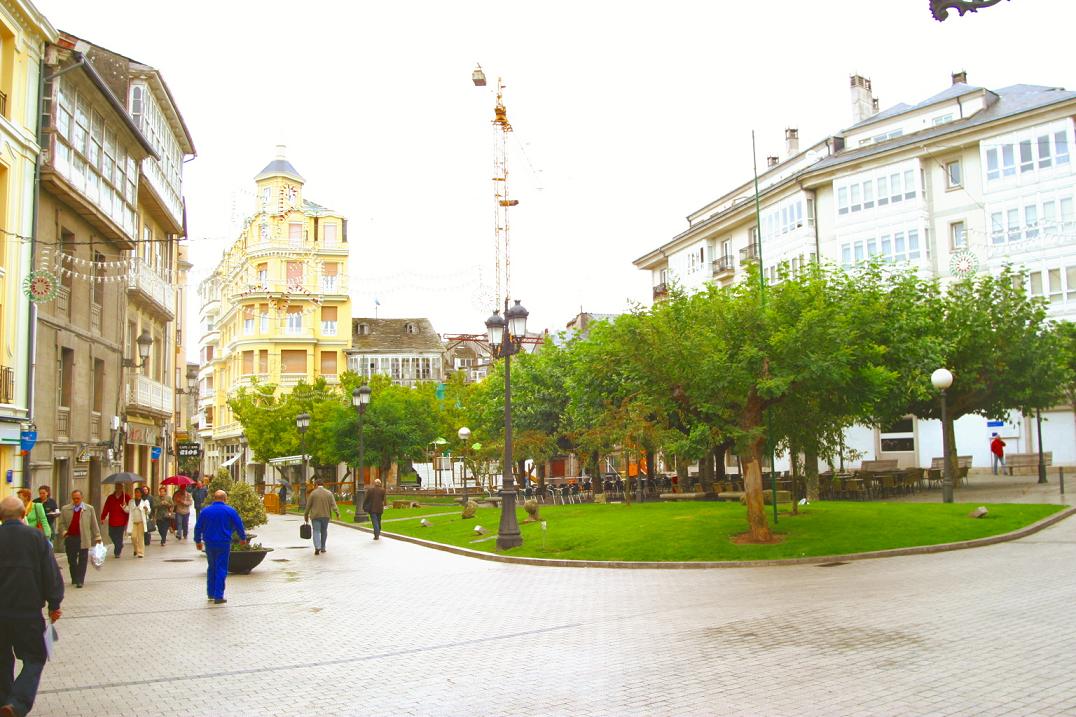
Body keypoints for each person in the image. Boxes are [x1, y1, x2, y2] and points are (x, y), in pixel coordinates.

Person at [0, 495, 64, 717]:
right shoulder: (36, 538)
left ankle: (4, 702)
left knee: (1, 660)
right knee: (35, 657)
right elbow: (51, 574)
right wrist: (54, 603)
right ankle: (16, 703)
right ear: (24, 514)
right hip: (26, 613)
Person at [194, 491, 246, 604]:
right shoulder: (230, 510)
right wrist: (242, 538)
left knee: (211, 566)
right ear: (225, 498)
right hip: (223, 542)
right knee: (221, 567)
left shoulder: (205, 511)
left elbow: (198, 527)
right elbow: (239, 524)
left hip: (209, 542)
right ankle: (218, 595)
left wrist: (198, 541)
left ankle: (211, 593)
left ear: (214, 498)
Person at [56, 491, 101, 588]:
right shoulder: (65, 509)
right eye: (74, 498)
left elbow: (94, 523)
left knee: (83, 560)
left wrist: (97, 536)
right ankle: (74, 578)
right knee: (71, 560)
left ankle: (80, 580)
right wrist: (64, 532)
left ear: (82, 498)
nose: (76, 500)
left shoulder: (89, 509)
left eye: (78, 498)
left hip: (83, 538)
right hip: (71, 538)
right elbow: (61, 524)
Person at [303, 478, 340, 555]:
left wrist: (306, 515)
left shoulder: (313, 493)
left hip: (315, 516)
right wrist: (337, 513)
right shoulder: (329, 493)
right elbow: (333, 505)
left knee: (316, 531)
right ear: (323, 485)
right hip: (326, 515)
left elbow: (308, 506)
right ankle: (323, 547)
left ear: (316, 484)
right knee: (324, 531)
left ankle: (317, 547)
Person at [100, 484, 131, 558]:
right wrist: (103, 517)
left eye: (120, 487)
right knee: (111, 534)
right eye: (117, 487)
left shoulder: (126, 497)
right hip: (112, 520)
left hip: (122, 520)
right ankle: (119, 545)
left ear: (122, 488)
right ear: (115, 488)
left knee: (119, 536)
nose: (118, 489)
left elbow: (130, 508)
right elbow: (106, 507)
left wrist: (126, 506)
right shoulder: (110, 497)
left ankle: (117, 552)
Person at [125, 491, 150, 558]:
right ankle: (136, 549)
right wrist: (124, 506)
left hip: (141, 522)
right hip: (133, 522)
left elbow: (148, 511)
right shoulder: (131, 501)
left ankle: (141, 552)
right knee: (133, 537)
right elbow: (128, 510)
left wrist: (146, 509)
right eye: (135, 492)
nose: (137, 494)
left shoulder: (145, 501)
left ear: (141, 494)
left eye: (138, 492)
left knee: (140, 537)